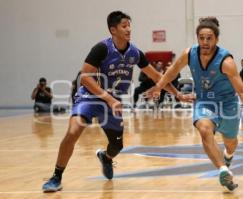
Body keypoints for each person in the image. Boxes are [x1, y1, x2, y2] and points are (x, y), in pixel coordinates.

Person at [42, 11, 187, 192]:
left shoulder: (135, 53)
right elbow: (85, 78)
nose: (128, 29)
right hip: (90, 96)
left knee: (117, 146)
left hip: (113, 102)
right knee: (73, 131)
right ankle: (56, 176)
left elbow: (158, 77)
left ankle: (106, 158)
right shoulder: (102, 49)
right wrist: (109, 98)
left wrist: (178, 95)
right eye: (124, 26)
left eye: (129, 25)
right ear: (113, 30)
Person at [146, 17, 243, 191]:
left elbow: (242, 90)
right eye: (201, 38)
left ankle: (227, 157)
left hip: (228, 105)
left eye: (209, 38)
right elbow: (172, 71)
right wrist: (158, 87)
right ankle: (223, 170)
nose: (205, 42)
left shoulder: (226, 61)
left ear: (216, 39)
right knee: (204, 130)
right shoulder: (189, 54)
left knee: (231, 143)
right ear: (197, 38)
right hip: (204, 101)